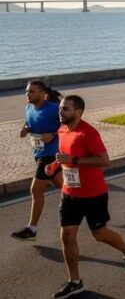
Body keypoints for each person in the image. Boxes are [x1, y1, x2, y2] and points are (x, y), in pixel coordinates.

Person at [52, 95, 125, 298]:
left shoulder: (88, 133)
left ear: (78, 112)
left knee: (99, 234)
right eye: (60, 108)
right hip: (70, 193)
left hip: (93, 194)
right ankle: (75, 281)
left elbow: (104, 160)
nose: (60, 112)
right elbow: (65, 156)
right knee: (66, 236)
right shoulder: (62, 129)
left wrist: (73, 159)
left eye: (65, 109)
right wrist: (56, 165)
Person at [11, 80, 62, 242]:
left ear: (42, 93)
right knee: (62, 185)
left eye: (32, 91)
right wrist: (26, 129)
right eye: (27, 91)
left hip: (51, 155)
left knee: (36, 190)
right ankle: (86, 202)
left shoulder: (54, 109)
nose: (28, 94)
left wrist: (53, 135)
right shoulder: (28, 108)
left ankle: (31, 229)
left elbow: (69, 125)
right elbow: (30, 122)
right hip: (38, 153)